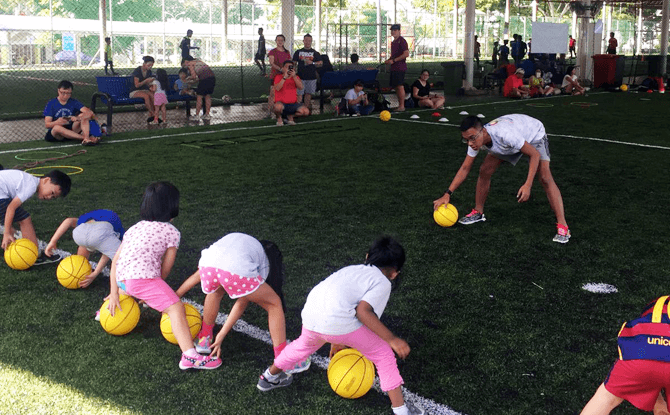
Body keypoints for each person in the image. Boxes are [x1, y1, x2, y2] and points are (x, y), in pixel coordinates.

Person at [256, 236, 426, 415]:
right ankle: (402, 411)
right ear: (394, 273)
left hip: (311, 315)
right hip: (337, 320)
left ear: (367, 256)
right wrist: (392, 339)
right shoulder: (382, 281)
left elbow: (338, 301)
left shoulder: (351, 270)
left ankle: (268, 377)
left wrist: (336, 340)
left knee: (300, 347)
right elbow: (364, 313)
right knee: (383, 352)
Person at [107, 181, 221, 370]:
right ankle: (190, 356)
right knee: (175, 307)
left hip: (122, 280)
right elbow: (165, 269)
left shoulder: (135, 227)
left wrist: (114, 292)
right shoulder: (172, 232)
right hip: (141, 280)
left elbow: (116, 262)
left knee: (137, 288)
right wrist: (156, 292)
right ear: (172, 206)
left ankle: (107, 307)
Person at [175, 233, 310, 374]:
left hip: (207, 263)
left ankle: (204, 339)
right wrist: (222, 334)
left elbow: (195, 277)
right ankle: (284, 359)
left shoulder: (243, 246)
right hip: (234, 267)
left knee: (215, 291)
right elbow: (242, 301)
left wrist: (173, 300)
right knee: (274, 304)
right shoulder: (262, 261)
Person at [432, 115, 570, 243]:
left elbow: (534, 154)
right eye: (466, 139)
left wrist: (528, 185)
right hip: (508, 143)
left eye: (472, 138)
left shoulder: (504, 134)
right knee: (485, 170)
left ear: (483, 131)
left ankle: (563, 225)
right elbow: (465, 168)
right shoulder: (475, 140)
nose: (469, 143)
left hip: (533, 134)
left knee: (545, 177)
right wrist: (447, 194)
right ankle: (478, 212)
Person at [580, 295, 670, 415]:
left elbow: (654, 362)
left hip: (642, 351)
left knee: (606, 399)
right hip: (649, 352)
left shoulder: (658, 303)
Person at [0, 169, 71, 264]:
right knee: (25, 219)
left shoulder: (28, 180)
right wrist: (7, 232)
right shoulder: (31, 185)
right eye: (52, 193)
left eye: (53, 197)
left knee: (15, 218)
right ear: (46, 180)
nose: (50, 197)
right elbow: (11, 208)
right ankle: (33, 255)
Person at [45, 209, 124, 288]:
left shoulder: (87, 217)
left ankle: (78, 271)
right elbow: (107, 252)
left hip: (78, 234)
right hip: (99, 235)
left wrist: (52, 242)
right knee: (123, 259)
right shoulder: (117, 226)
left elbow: (68, 221)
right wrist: (95, 273)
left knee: (85, 244)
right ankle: (123, 289)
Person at [43, 80, 101, 146]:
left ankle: (86, 139)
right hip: (58, 134)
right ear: (58, 91)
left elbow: (89, 112)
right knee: (57, 127)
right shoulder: (51, 104)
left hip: (72, 129)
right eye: (63, 93)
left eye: (68, 93)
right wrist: (58, 122)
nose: (65, 96)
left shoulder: (73, 102)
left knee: (84, 115)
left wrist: (77, 118)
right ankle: (86, 138)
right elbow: (47, 125)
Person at [273, 60, 309, 126]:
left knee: (305, 112)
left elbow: (301, 87)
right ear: (283, 68)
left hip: (292, 104)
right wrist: (284, 77)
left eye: (291, 67)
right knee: (277, 107)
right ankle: (279, 118)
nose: (289, 69)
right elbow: (277, 88)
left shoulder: (296, 77)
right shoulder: (278, 77)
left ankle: (289, 116)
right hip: (281, 103)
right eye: (287, 67)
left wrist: (294, 76)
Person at [292, 33, 322, 111]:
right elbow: (293, 63)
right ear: (303, 41)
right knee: (299, 94)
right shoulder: (298, 52)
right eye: (306, 40)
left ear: (311, 41)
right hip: (300, 77)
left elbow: (320, 63)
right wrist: (293, 73)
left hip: (311, 77)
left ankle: (305, 110)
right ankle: (297, 110)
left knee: (308, 94)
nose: (308, 42)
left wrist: (312, 63)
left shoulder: (315, 53)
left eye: (309, 41)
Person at [385, 24, 409, 112]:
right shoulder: (393, 42)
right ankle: (400, 105)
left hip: (400, 67)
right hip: (394, 67)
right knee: (396, 86)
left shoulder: (402, 41)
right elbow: (394, 55)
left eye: (395, 30)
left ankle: (402, 106)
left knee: (400, 86)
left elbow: (406, 54)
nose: (393, 32)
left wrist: (394, 60)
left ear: (399, 31)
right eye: (392, 30)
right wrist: (389, 60)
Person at [267, 34, 292, 117]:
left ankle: (283, 112)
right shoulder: (272, 51)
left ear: (284, 41)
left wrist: (287, 71)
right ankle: (269, 113)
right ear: (276, 41)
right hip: (275, 75)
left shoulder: (287, 52)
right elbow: (272, 63)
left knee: (285, 93)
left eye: (282, 40)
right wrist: (281, 69)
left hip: (285, 76)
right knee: (272, 94)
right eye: (278, 40)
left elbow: (290, 62)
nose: (280, 42)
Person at [130, 56, 156, 123]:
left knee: (152, 95)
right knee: (146, 96)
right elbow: (137, 85)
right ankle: (153, 114)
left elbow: (148, 84)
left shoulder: (149, 72)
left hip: (144, 90)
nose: (150, 67)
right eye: (149, 65)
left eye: (151, 65)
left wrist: (151, 83)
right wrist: (146, 81)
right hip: (135, 91)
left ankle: (152, 115)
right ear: (144, 64)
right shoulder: (137, 71)